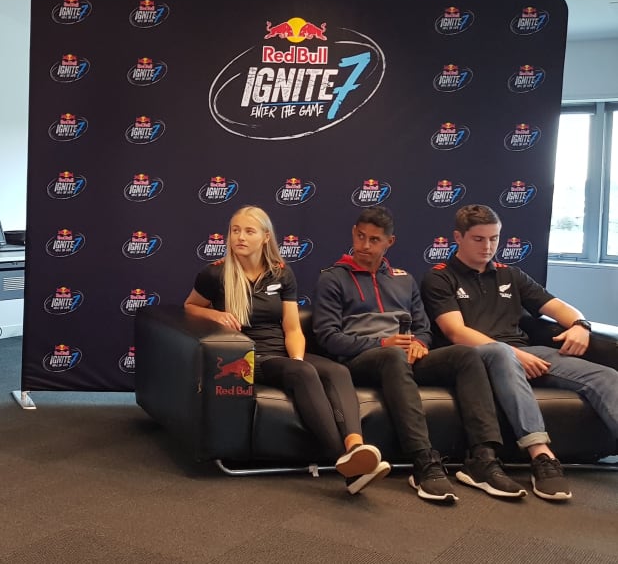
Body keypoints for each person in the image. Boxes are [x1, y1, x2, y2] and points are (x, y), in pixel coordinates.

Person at [313, 206, 525, 503]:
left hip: (405, 356)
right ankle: (424, 460)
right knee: (394, 357)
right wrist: (382, 344)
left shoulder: (404, 280)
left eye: (374, 240)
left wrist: (420, 344)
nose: (364, 245)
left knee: (466, 355)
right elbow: (328, 338)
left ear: (390, 242)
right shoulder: (332, 278)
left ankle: (483, 458)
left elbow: (423, 328)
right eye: (360, 236)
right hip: (362, 360)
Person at [185, 205, 391, 494]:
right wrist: (214, 315)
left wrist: (296, 359)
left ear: (265, 237)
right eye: (235, 230)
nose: (239, 237)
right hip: (250, 358)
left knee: (337, 370)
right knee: (303, 372)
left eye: (248, 231)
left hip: (282, 354)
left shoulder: (281, 273)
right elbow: (190, 307)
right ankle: (344, 460)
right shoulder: (214, 274)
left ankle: (355, 446)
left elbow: (293, 328)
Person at [421, 204, 618, 500]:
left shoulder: (510, 274)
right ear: (458, 238)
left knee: (606, 376)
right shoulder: (440, 277)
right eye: (478, 239)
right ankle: (541, 455)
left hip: (528, 353)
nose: (488, 246)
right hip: (477, 356)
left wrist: (581, 324)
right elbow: (455, 332)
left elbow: (559, 307)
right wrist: (511, 353)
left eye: (494, 238)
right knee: (502, 353)